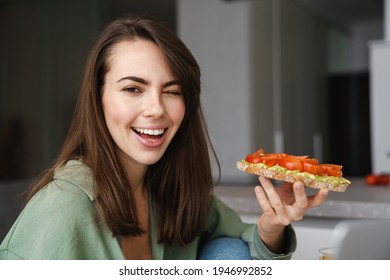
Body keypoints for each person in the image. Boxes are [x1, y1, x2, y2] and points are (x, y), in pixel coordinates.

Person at [0, 14, 328, 260]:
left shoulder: (172, 186)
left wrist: (271, 227)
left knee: (232, 252)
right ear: (97, 99)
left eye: (172, 92)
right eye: (133, 89)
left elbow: (249, 248)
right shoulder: (62, 207)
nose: (156, 109)